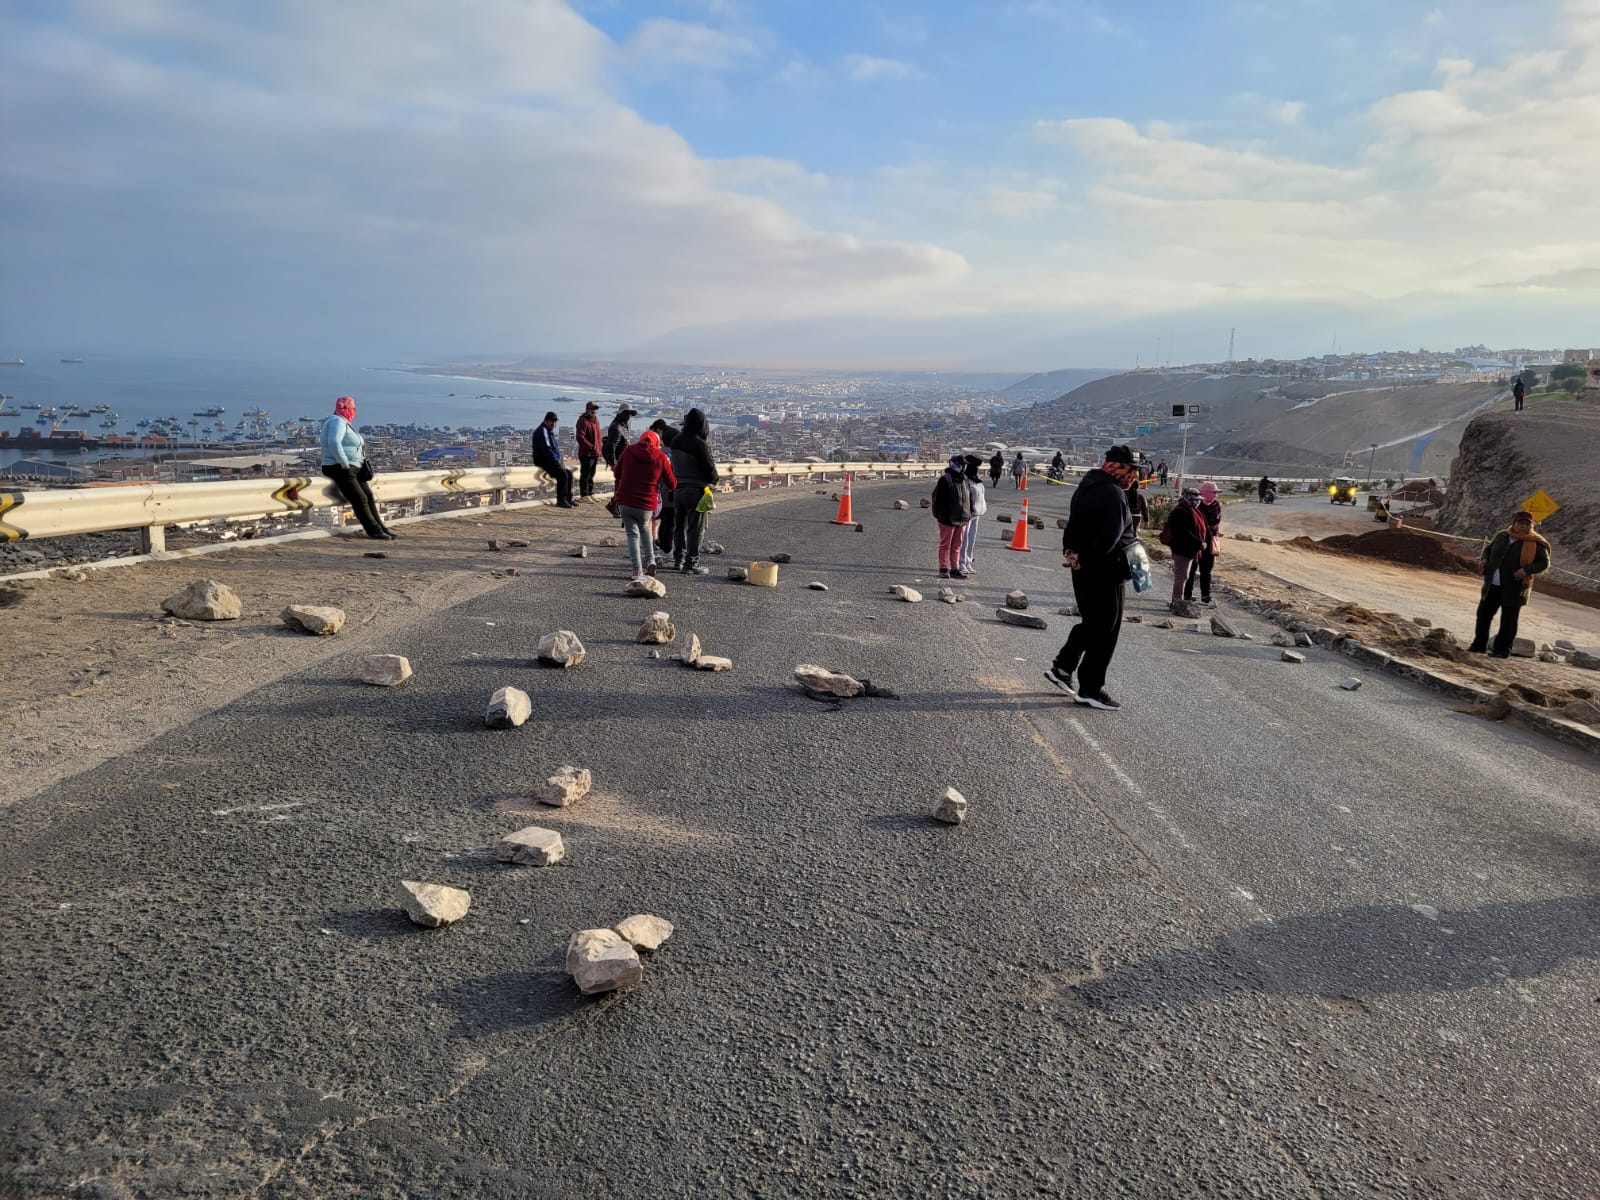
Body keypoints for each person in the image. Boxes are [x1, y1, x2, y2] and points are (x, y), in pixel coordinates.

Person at [1045, 445, 1138, 710]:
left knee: (1093, 623)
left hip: (1084, 567)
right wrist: (1086, 557)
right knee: (1106, 631)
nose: (1134, 477)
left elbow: (1073, 526)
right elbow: (1110, 538)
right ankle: (1091, 688)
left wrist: (1073, 554)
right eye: (1131, 471)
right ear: (1119, 468)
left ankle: (1063, 667)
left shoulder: (1086, 486)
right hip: (1106, 571)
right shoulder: (1112, 493)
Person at [1470, 510, 1552, 657]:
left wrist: (1526, 570)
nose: (1524, 526)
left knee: (1508, 621)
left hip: (1515, 588)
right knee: (1483, 615)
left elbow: (1544, 563)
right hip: (1493, 585)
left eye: (1527, 524)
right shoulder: (1502, 536)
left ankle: (1502, 650)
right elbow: (1488, 550)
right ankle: (1478, 645)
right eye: (1521, 523)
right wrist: (1484, 559)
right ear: (1514, 523)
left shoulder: (1535, 542)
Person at [320, 396, 392, 539]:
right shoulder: (337, 421)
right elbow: (334, 442)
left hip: (352, 468)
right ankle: (373, 530)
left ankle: (382, 529)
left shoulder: (344, 422)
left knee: (368, 497)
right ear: (347, 409)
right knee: (360, 499)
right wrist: (344, 463)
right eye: (353, 408)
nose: (355, 411)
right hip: (339, 467)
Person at [612, 429, 677, 580]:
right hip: (646, 503)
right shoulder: (660, 457)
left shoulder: (628, 451)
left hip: (626, 501)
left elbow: (617, 473)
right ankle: (651, 560)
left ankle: (637, 570)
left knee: (632, 536)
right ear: (656, 442)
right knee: (645, 529)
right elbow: (672, 483)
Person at [669, 407, 719, 574]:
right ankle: (691, 563)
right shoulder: (699, 444)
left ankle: (678, 559)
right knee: (695, 528)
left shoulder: (675, 440)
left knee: (679, 526)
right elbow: (710, 469)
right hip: (696, 491)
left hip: (677, 490)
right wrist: (713, 480)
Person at [1160, 487, 1209, 615]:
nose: (1198, 502)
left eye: (1199, 500)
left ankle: (1177, 602)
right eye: (1195, 499)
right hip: (1182, 549)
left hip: (1188, 549)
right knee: (1181, 577)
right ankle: (1177, 603)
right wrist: (1199, 543)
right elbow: (1183, 533)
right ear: (1188, 498)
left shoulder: (1192, 510)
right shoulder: (1182, 511)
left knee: (1183, 576)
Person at [932, 454, 973, 579]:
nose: (962, 467)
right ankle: (943, 568)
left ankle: (954, 569)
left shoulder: (965, 480)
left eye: (963, 465)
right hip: (947, 518)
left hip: (962, 518)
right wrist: (939, 515)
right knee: (945, 545)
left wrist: (969, 513)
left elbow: (969, 498)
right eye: (961, 465)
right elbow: (937, 499)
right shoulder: (945, 479)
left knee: (957, 546)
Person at [1185, 481, 1222, 607]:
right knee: (1191, 570)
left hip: (1209, 543)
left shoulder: (1216, 505)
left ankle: (1206, 596)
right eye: (1213, 493)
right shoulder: (1196, 505)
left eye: (1216, 493)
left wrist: (1208, 534)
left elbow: (1214, 523)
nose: (1215, 495)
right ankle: (1187, 595)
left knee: (1206, 571)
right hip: (1196, 542)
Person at [649, 418, 681, 556]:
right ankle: (667, 548)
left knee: (662, 519)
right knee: (671, 522)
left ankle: (661, 545)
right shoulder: (673, 455)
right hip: (670, 493)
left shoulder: (658, 452)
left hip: (658, 493)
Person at [532, 411, 575, 508]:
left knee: (569, 473)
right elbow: (547, 450)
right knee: (562, 474)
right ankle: (561, 499)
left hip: (551, 460)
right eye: (552, 421)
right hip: (544, 461)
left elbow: (553, 449)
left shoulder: (548, 431)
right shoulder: (543, 431)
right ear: (546, 420)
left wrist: (557, 461)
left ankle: (568, 498)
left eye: (555, 422)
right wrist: (556, 462)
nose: (554, 424)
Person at [958, 453, 987, 577]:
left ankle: (969, 560)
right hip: (968, 513)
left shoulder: (976, 480)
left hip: (977, 513)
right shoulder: (965, 480)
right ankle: (962, 562)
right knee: (964, 539)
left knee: (971, 539)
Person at [575, 401, 603, 499]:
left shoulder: (596, 421)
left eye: (595, 409)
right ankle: (584, 494)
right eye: (592, 409)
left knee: (591, 474)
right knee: (586, 474)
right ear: (588, 409)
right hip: (586, 453)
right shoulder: (583, 421)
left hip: (595, 452)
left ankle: (590, 492)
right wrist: (591, 447)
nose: (594, 411)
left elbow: (598, 436)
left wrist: (599, 448)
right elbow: (580, 437)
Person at [603, 405, 635, 471]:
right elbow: (611, 447)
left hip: (624, 460)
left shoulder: (624, 424)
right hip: (619, 461)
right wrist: (614, 464)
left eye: (630, 414)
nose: (628, 416)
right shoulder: (616, 427)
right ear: (621, 413)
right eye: (626, 413)